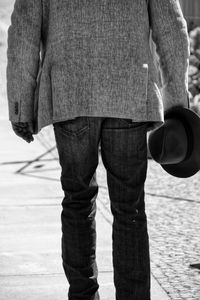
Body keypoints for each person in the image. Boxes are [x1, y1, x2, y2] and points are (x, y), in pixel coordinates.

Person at [7, 0, 190, 299]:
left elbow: (24, 31)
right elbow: (171, 26)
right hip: (129, 90)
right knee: (129, 206)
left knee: (78, 200)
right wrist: (177, 100)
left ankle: (83, 294)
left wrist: (20, 106)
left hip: (70, 92)